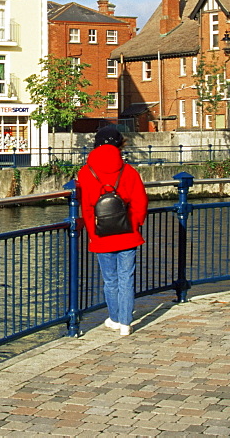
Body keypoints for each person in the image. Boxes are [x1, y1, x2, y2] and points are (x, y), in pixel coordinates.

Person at [76, 125, 148, 336]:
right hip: (127, 234)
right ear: (119, 146)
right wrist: (133, 224)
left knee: (110, 280)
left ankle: (115, 318)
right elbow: (140, 202)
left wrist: (93, 231)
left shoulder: (86, 172)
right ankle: (125, 323)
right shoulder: (129, 171)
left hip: (101, 235)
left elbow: (87, 207)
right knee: (127, 278)